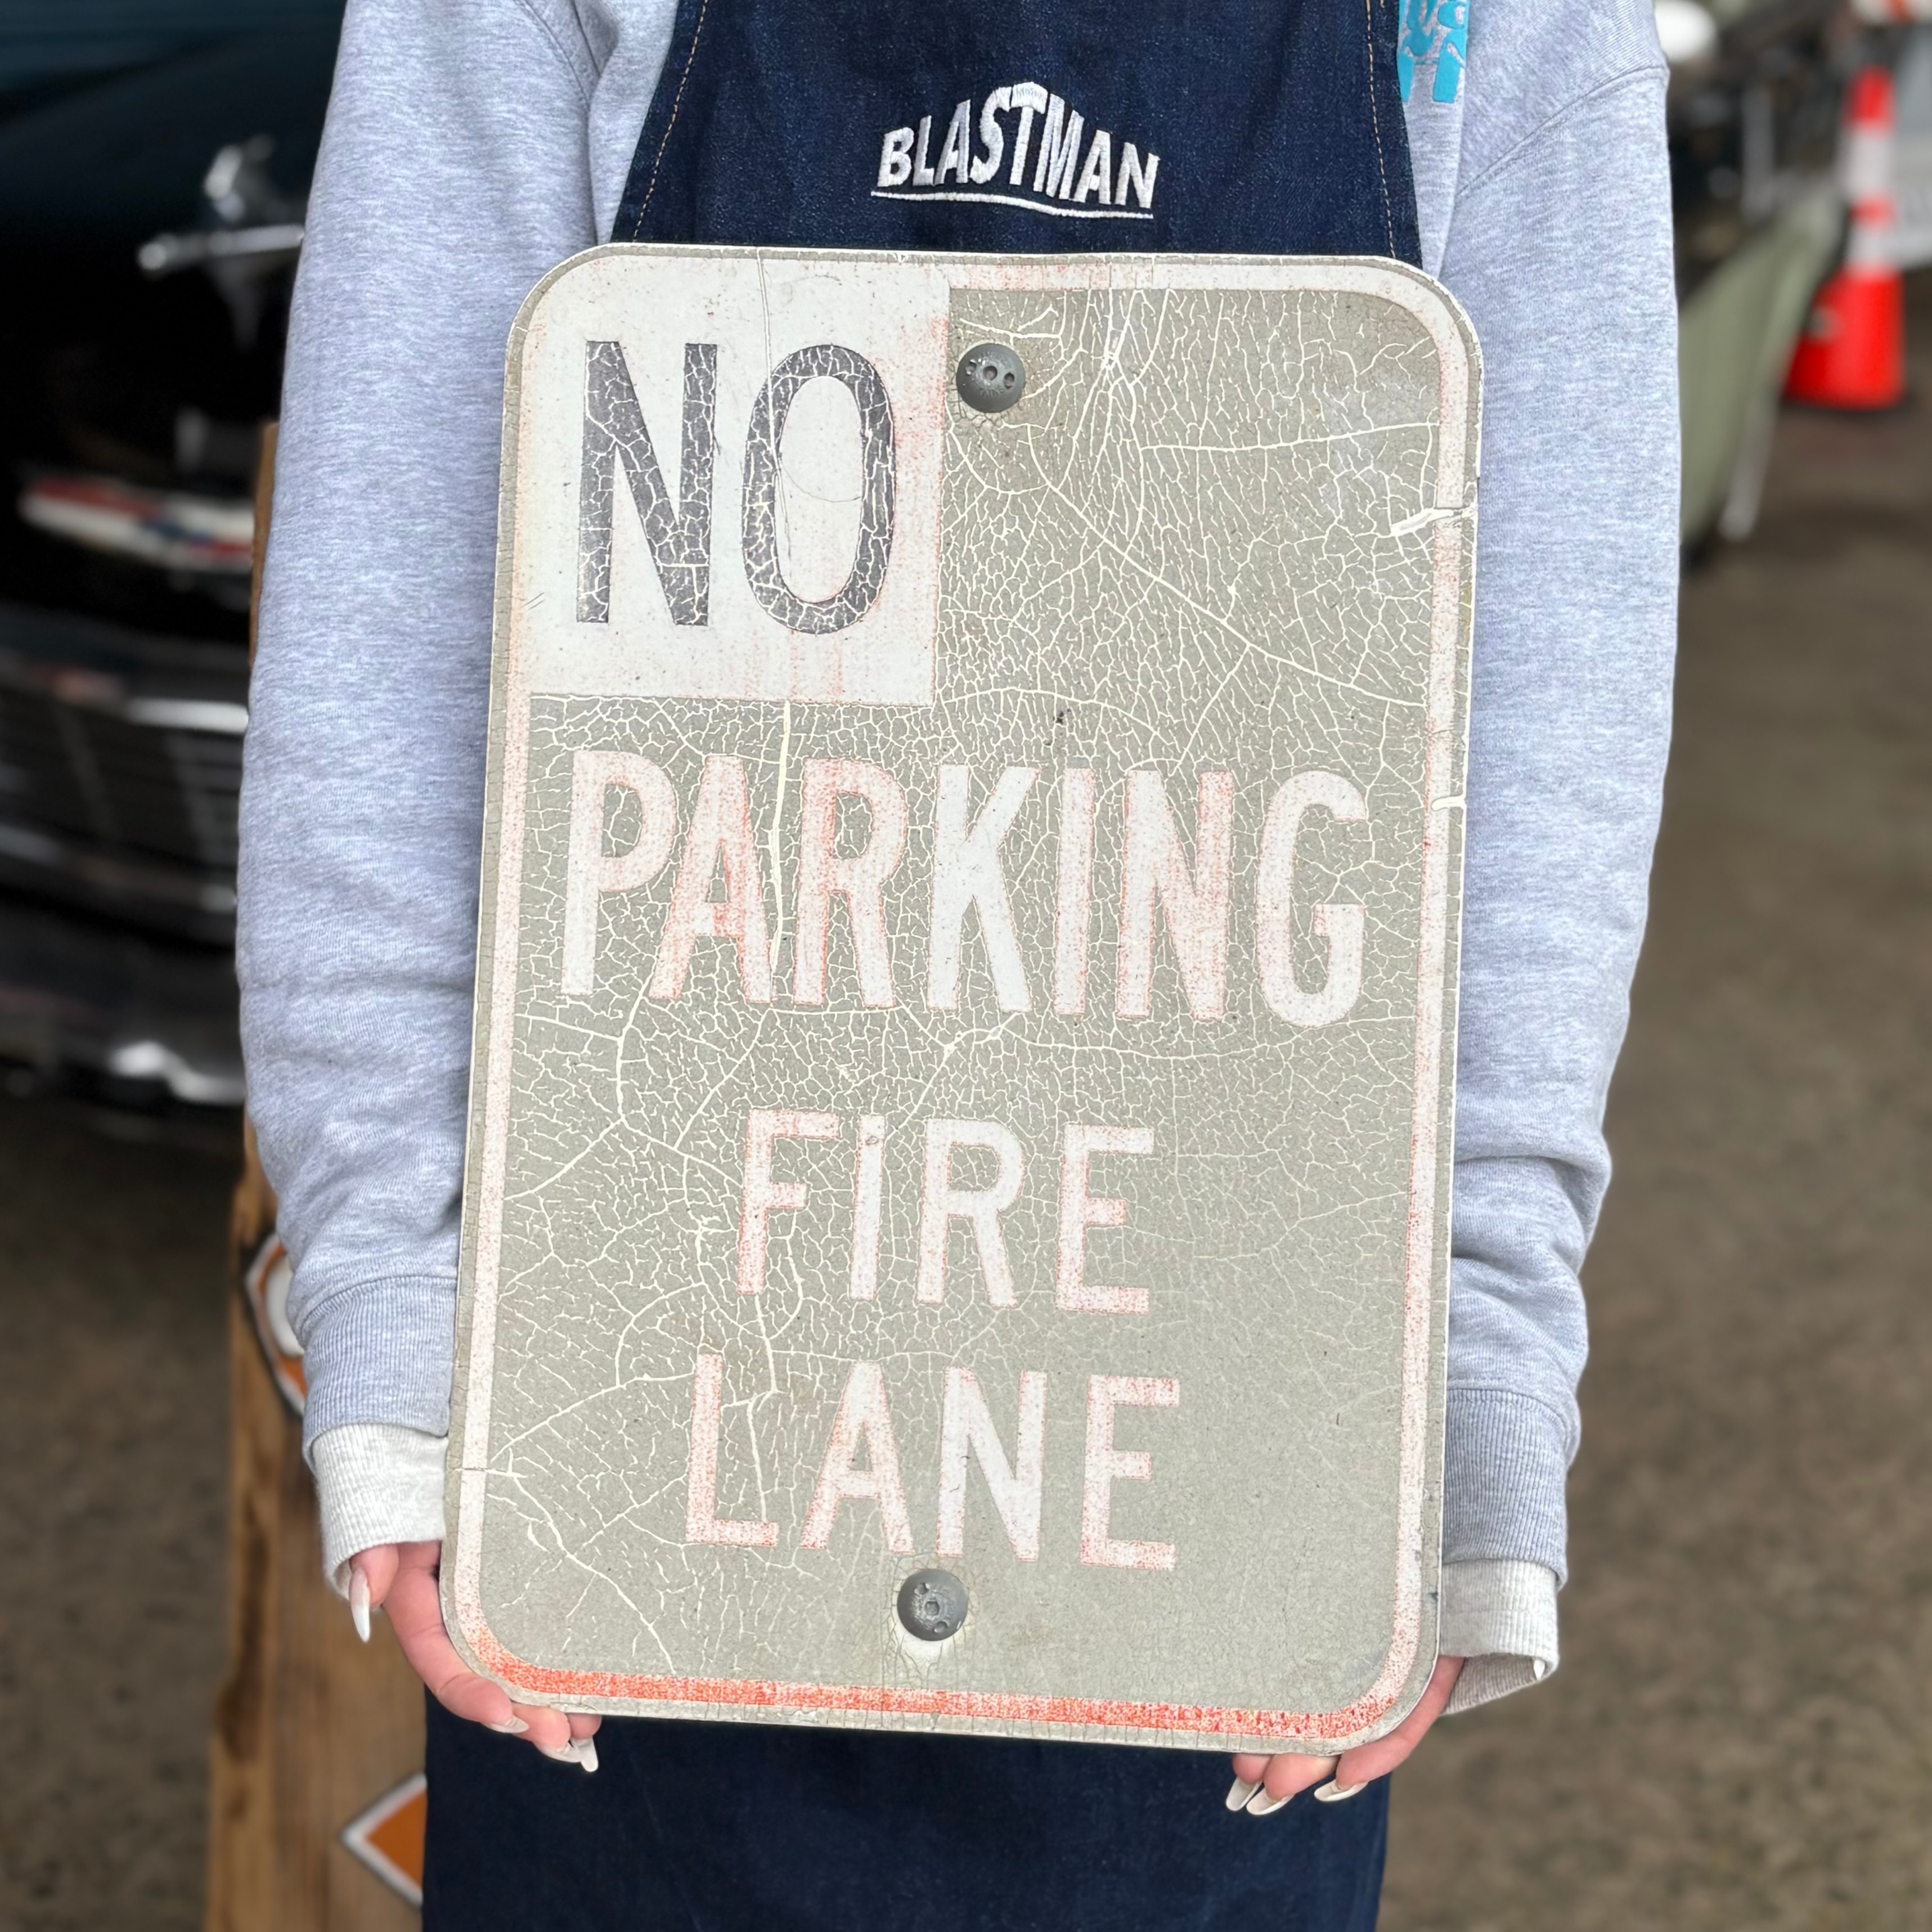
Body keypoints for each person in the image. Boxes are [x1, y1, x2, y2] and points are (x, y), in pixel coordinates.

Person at [239, 0, 1679, 1924]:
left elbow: (1531, 725)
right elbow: (398, 622)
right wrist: (409, 1334)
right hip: (636, 1406)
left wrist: (1466, 1384)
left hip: (1216, 1434)